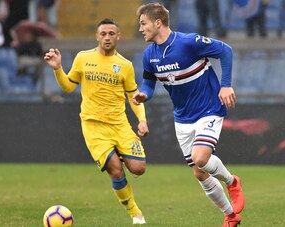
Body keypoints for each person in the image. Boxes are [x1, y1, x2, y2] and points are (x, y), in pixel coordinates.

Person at [134, 3, 245, 227]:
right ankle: (231, 216)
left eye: (143, 23)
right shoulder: (149, 55)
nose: (140, 29)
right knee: (199, 173)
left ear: (158, 23)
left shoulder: (188, 42)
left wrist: (226, 85)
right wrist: (143, 95)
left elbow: (226, 50)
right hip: (182, 117)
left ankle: (232, 181)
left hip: (208, 108)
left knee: (200, 158)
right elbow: (148, 84)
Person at [44, 18, 149, 225]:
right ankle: (135, 213)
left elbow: (133, 96)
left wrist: (142, 120)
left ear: (118, 36)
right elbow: (68, 86)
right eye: (103, 34)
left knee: (138, 168)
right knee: (116, 170)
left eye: (111, 33)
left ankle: (118, 152)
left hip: (119, 124)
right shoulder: (83, 58)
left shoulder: (125, 66)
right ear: (97, 36)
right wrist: (58, 69)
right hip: (93, 125)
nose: (107, 37)